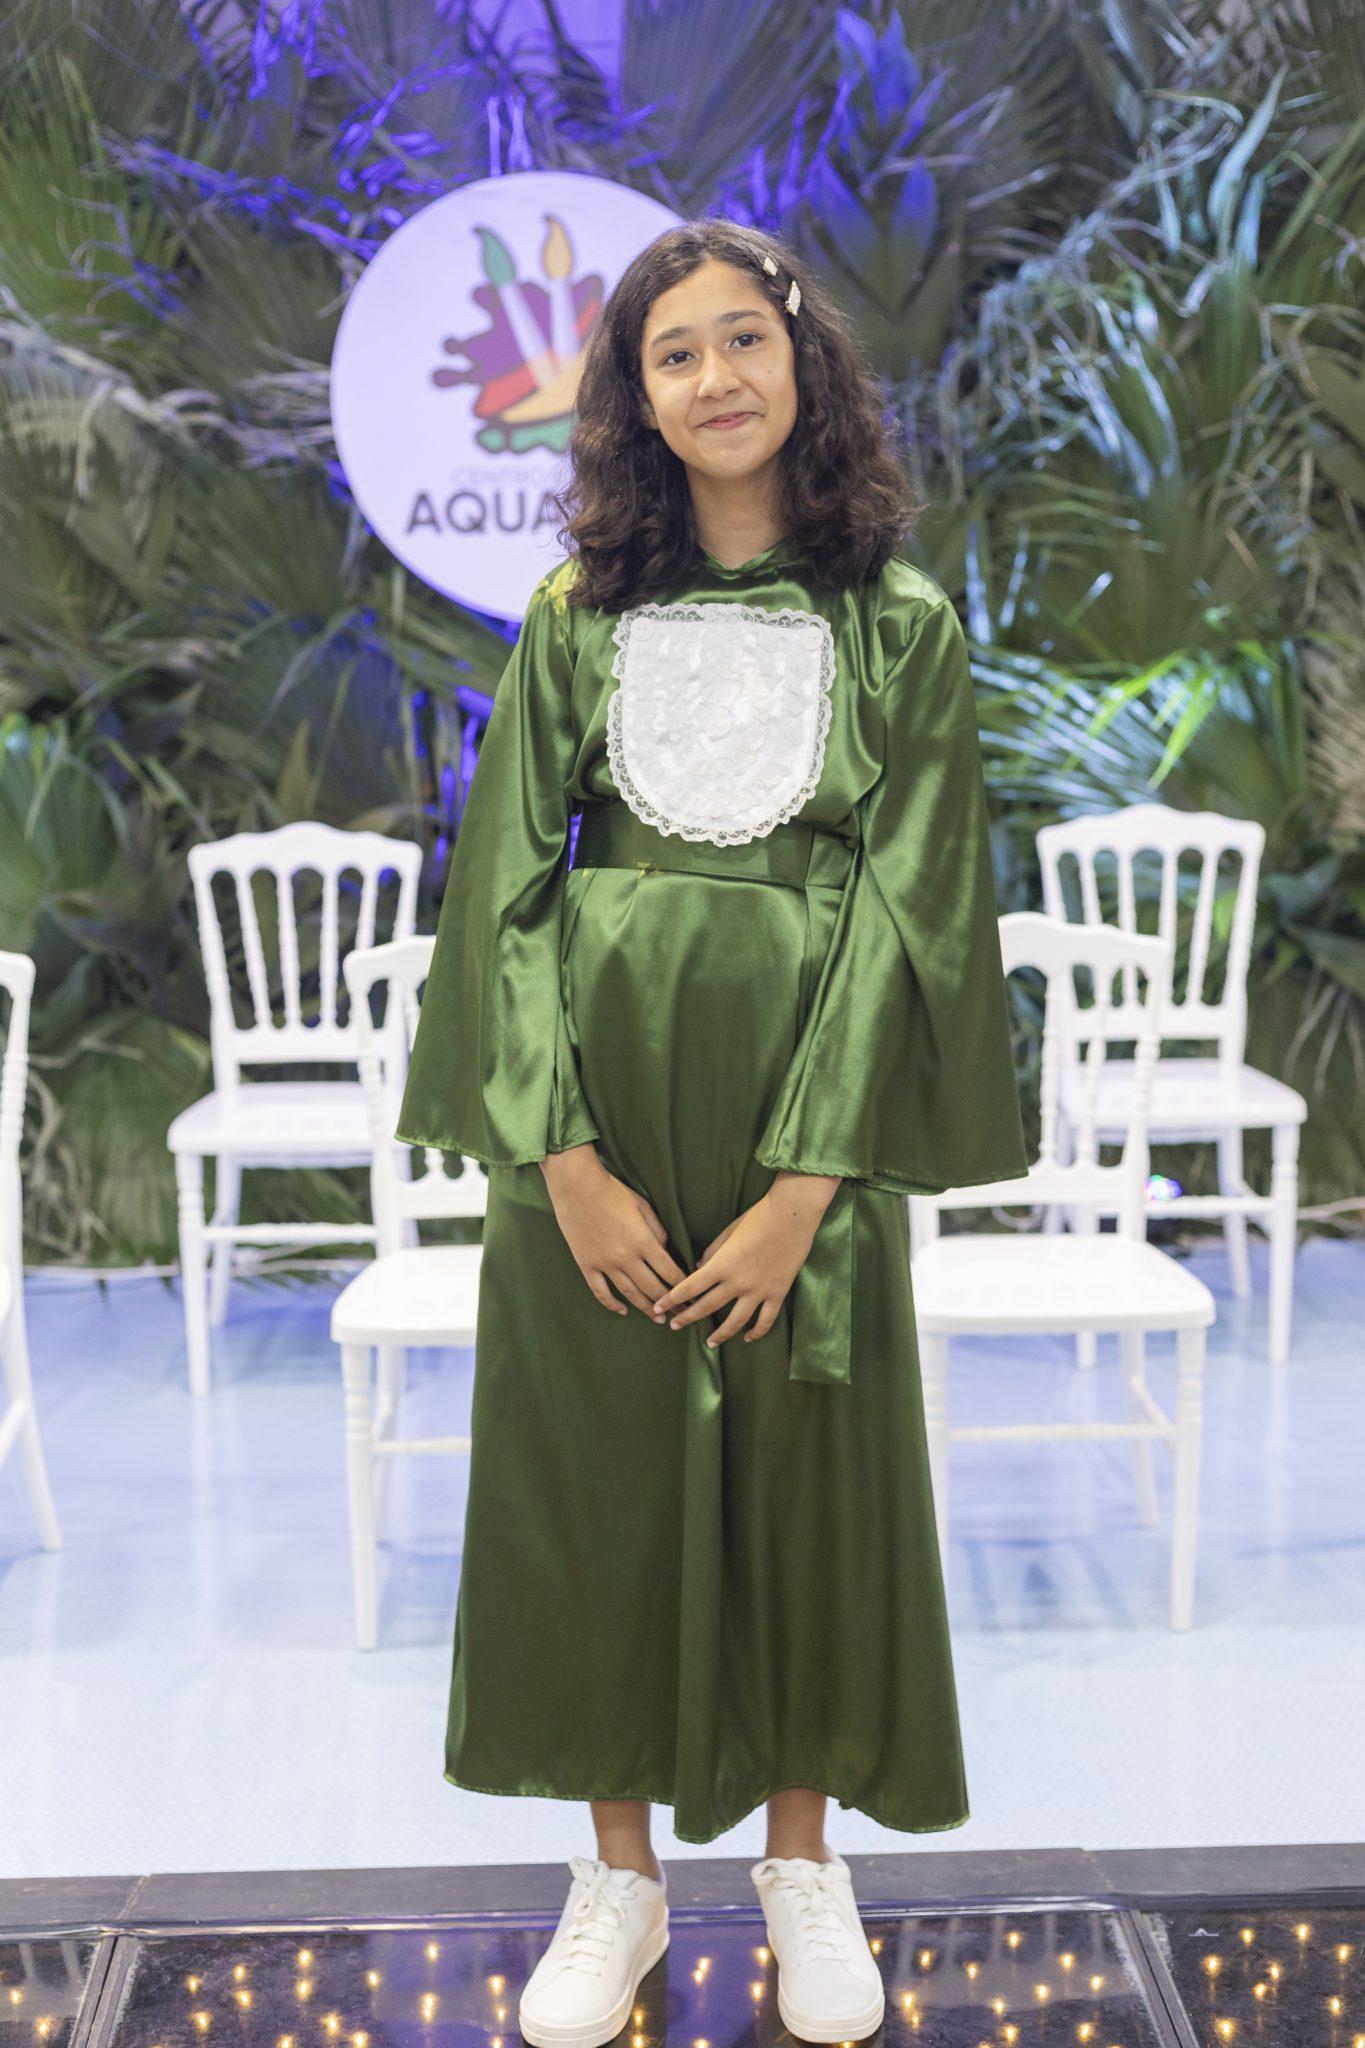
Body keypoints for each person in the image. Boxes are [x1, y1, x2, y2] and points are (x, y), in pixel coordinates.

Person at [394, 218, 1029, 2048]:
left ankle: (801, 1865)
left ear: (801, 360)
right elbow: (504, 893)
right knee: (591, 1477)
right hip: (596, 1122)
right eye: (672, 354)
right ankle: (616, 1880)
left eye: (741, 338)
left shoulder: (897, 624)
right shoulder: (572, 619)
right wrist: (564, 1161)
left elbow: (914, 913)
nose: (714, 377)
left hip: (803, 1125)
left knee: (810, 1480)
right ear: (635, 399)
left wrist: (802, 1193)